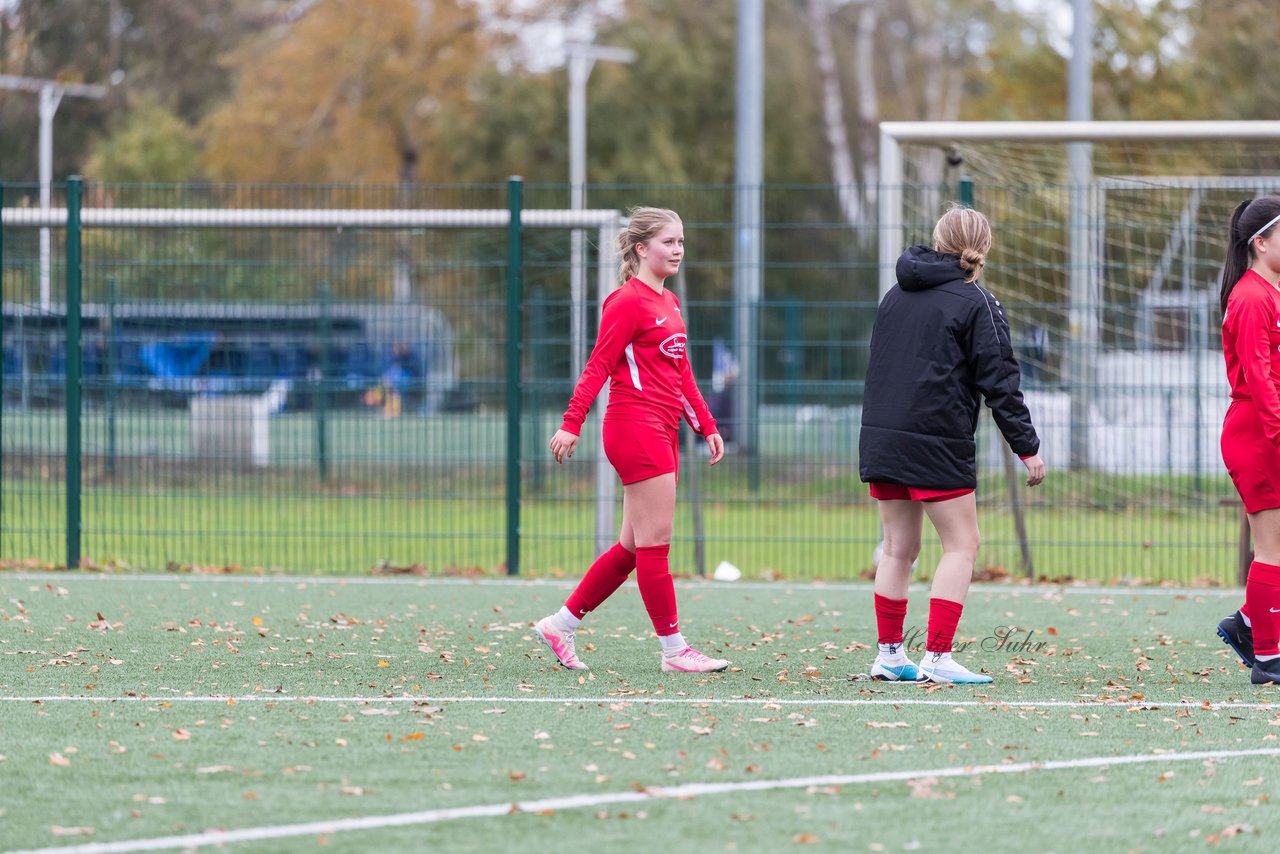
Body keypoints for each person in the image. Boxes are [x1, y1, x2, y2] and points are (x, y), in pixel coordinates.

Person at [531, 207, 729, 674]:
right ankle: (675, 651)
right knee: (656, 544)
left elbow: (682, 374)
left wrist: (707, 423)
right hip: (634, 427)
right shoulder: (626, 302)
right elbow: (598, 365)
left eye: (681, 241)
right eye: (668, 242)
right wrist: (571, 422)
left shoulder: (670, 302)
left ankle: (560, 626)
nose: (678, 250)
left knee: (632, 550)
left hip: (663, 428)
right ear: (641, 248)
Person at [859, 204, 1045, 685]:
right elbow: (1000, 381)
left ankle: (889, 654)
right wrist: (1027, 447)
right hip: (936, 441)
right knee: (962, 544)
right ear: (983, 247)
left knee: (899, 548)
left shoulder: (894, 295)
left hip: (882, 438)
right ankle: (937, 657)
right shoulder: (976, 301)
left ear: (937, 240)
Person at [1215, 195, 1280, 685]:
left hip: (1267, 428)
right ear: (1260, 243)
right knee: (1270, 548)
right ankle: (1268, 657)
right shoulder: (1252, 297)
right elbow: (1259, 379)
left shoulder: (1269, 291)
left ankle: (1248, 624)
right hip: (1259, 431)